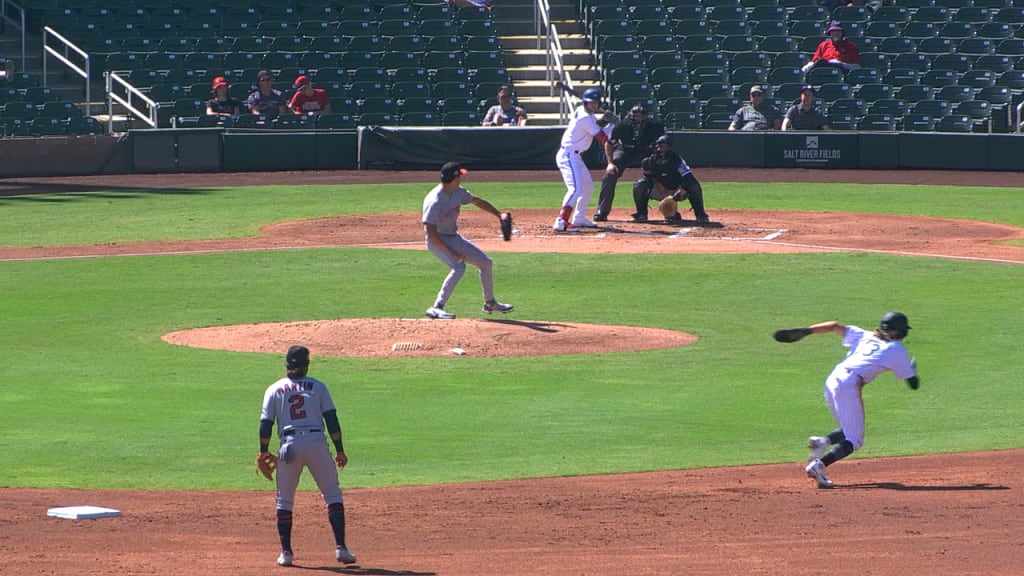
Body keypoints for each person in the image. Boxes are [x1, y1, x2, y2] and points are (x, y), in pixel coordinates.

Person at [258, 345, 357, 567]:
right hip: (316, 444)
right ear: (307, 364)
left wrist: (263, 450)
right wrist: (339, 449)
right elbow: (332, 421)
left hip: (289, 446)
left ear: (286, 365)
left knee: (284, 499)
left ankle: (286, 553)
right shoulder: (318, 387)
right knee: (332, 494)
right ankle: (341, 548)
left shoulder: (274, 389)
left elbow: (265, 425)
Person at [800, 312, 920, 489]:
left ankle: (821, 442)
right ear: (898, 331)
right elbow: (914, 384)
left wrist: (806, 331)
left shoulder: (865, 335)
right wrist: (911, 369)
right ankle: (819, 466)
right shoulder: (897, 349)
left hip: (833, 378)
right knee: (855, 439)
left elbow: (834, 326)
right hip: (849, 384)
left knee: (848, 427)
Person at [422, 161, 514, 319]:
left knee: (486, 263)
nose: (462, 179)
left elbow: (477, 201)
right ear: (455, 178)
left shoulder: (458, 192)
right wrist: (450, 252)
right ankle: (437, 307)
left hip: (453, 237)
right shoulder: (435, 201)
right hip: (437, 241)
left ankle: (490, 303)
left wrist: (498, 215)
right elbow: (431, 233)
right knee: (459, 267)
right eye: (460, 176)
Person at [553, 87, 614, 232]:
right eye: (591, 103)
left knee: (588, 187)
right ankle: (561, 221)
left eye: (595, 103)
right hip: (568, 155)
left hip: (575, 156)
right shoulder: (585, 117)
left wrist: (608, 123)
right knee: (575, 189)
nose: (593, 105)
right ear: (585, 103)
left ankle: (579, 218)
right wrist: (611, 123)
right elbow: (602, 138)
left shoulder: (585, 113)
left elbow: (596, 126)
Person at [595, 104, 664, 222]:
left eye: (641, 117)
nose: (638, 120)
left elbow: (663, 144)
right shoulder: (622, 125)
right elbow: (609, 143)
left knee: (660, 174)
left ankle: (664, 210)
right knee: (610, 175)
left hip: (646, 152)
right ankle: (602, 211)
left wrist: (658, 160)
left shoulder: (655, 126)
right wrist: (610, 163)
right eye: (636, 117)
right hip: (625, 151)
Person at [631, 135, 710, 224]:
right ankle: (641, 215)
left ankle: (701, 214)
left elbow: (688, 177)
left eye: (666, 146)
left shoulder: (677, 160)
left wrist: (682, 189)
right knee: (639, 185)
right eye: (661, 146)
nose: (663, 149)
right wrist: (661, 188)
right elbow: (649, 178)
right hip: (658, 189)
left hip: (676, 190)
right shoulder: (648, 162)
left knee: (693, 185)